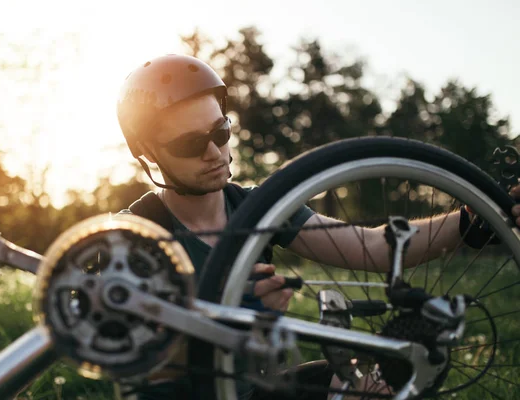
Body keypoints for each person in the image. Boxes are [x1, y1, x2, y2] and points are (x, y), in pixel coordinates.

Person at [116, 54, 520, 400]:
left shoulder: (259, 207)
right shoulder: (135, 234)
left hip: (252, 392)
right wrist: (233, 318)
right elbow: (125, 354)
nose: (213, 152)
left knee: (376, 382)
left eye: (220, 132)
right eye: (188, 144)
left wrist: (472, 220)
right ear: (149, 153)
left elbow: (373, 248)